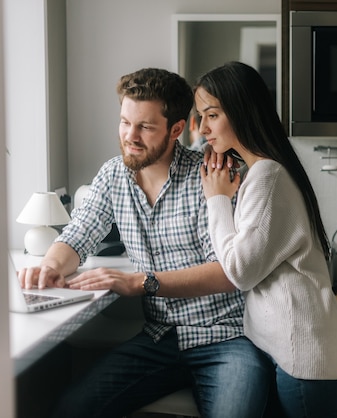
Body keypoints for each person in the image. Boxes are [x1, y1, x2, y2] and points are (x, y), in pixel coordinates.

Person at [18, 67, 272, 418]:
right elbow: (77, 235)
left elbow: (228, 271)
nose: (129, 136)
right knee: (70, 408)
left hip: (225, 339)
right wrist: (48, 266)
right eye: (125, 122)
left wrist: (140, 282)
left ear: (176, 130)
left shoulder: (212, 175)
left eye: (145, 127)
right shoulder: (112, 176)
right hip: (158, 339)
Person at [196, 61, 337, 418]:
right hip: (301, 357)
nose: (203, 127)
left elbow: (240, 271)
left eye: (211, 114)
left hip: (305, 361)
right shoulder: (265, 171)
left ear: (240, 110)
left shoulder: (267, 175)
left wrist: (217, 199)